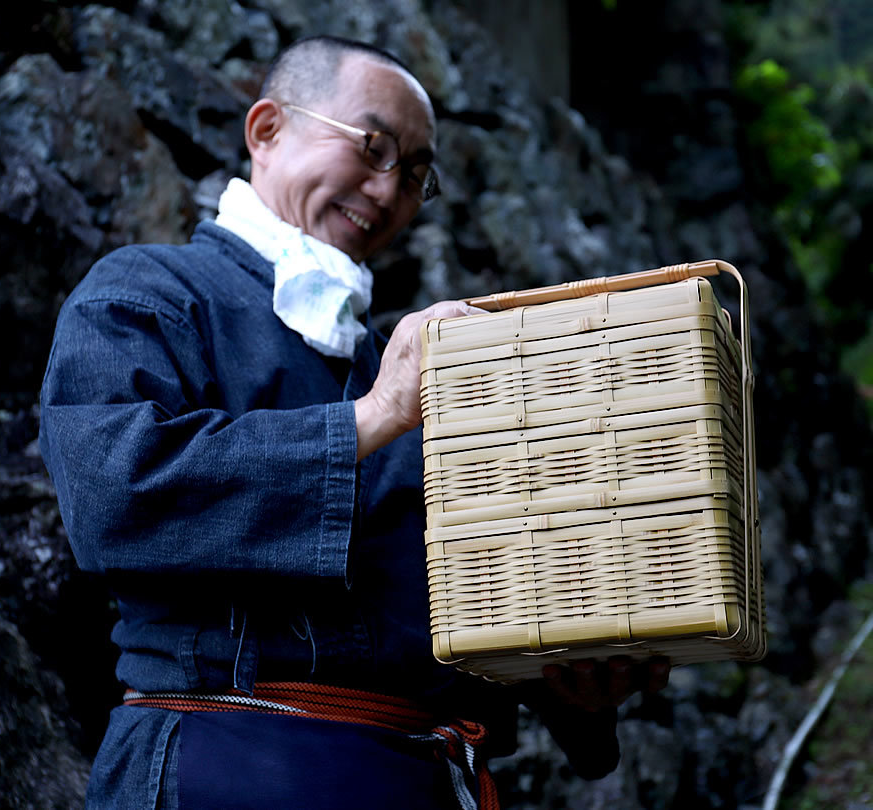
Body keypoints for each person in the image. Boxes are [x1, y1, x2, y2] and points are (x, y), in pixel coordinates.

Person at [39, 36, 669, 809]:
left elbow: (469, 609)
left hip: (425, 777)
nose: (388, 188)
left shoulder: (405, 365)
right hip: (227, 765)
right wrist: (370, 419)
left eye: (413, 172)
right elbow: (115, 498)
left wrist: (575, 690)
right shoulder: (150, 292)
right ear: (267, 130)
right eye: (373, 147)